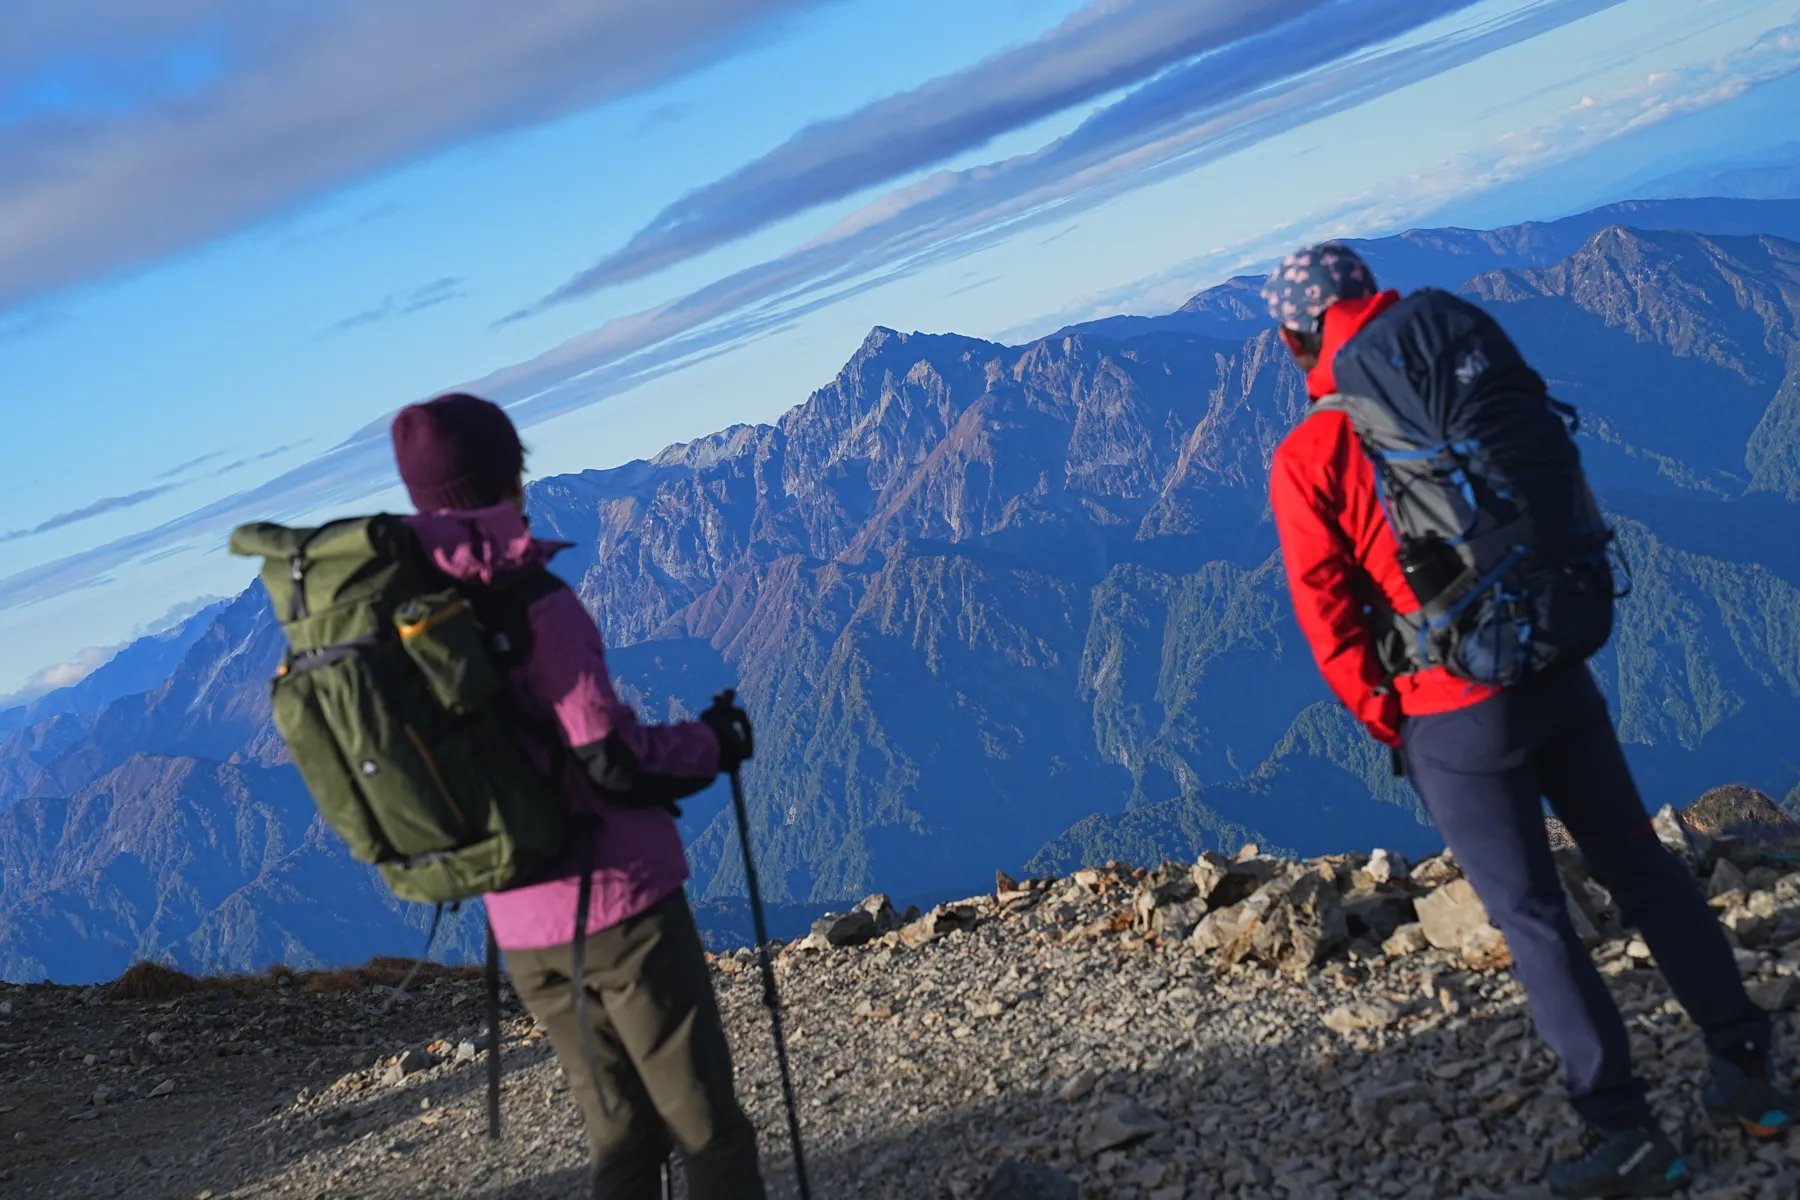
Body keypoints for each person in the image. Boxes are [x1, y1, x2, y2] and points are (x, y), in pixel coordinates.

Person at [1262, 244, 1794, 1198]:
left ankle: (1627, 1134)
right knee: (1640, 862)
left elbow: (1330, 620)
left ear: (1298, 339)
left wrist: (1398, 722)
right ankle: (1752, 1075)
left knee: (1538, 919)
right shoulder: (1460, 366)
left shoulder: (1311, 454)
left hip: (1455, 714)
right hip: (1553, 660)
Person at [390, 392, 765, 1200]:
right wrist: (713, 744)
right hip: (621, 915)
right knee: (709, 1131)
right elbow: (610, 760)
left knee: (624, 1139)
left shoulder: (407, 617)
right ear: (509, 478)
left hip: (522, 931)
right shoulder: (534, 604)